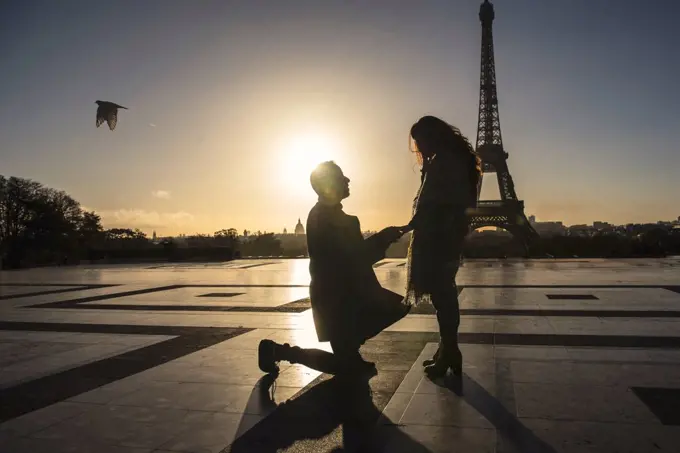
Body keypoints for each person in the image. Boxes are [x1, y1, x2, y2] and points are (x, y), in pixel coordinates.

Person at [258, 161, 410, 375]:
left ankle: (344, 351)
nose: (347, 181)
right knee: (348, 363)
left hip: (336, 297)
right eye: (341, 178)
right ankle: (280, 351)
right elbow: (354, 258)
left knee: (351, 357)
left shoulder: (321, 215)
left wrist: (381, 239)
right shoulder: (336, 219)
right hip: (342, 300)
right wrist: (382, 238)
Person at [403, 115, 481, 378]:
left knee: (443, 298)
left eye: (420, 141)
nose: (419, 148)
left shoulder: (446, 162)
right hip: (446, 236)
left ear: (433, 137)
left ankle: (450, 352)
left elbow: (438, 203)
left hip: (440, 237)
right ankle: (446, 350)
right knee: (443, 296)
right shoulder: (453, 159)